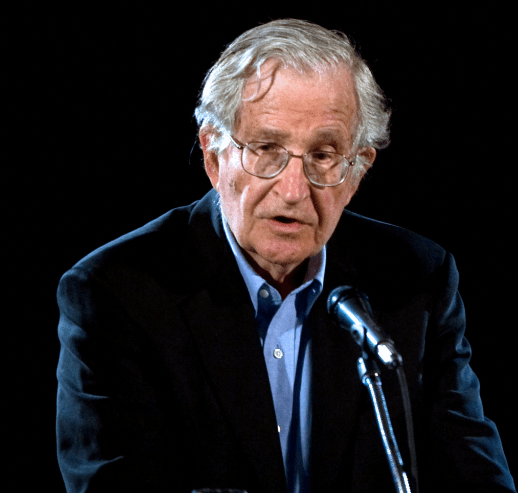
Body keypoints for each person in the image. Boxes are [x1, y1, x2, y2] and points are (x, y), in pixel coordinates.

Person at [56, 19, 515, 493]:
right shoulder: (115, 294)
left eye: (323, 155)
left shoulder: (416, 280)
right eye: (266, 149)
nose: (294, 191)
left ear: (357, 172)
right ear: (213, 156)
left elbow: (476, 478)